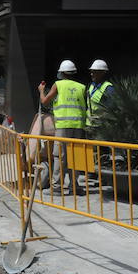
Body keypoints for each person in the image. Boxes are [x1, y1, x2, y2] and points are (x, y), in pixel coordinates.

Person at [38, 60, 87, 194]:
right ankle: (75, 187)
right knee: (75, 155)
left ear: (62, 73)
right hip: (78, 126)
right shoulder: (81, 87)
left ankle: (56, 187)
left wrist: (41, 91)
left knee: (59, 156)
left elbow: (45, 102)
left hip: (63, 126)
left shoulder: (58, 85)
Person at [86, 59, 114, 136]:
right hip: (89, 125)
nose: (92, 74)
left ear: (102, 73)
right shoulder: (91, 86)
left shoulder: (108, 88)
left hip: (100, 126)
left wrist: (101, 118)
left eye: (95, 72)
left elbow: (110, 108)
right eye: (91, 72)